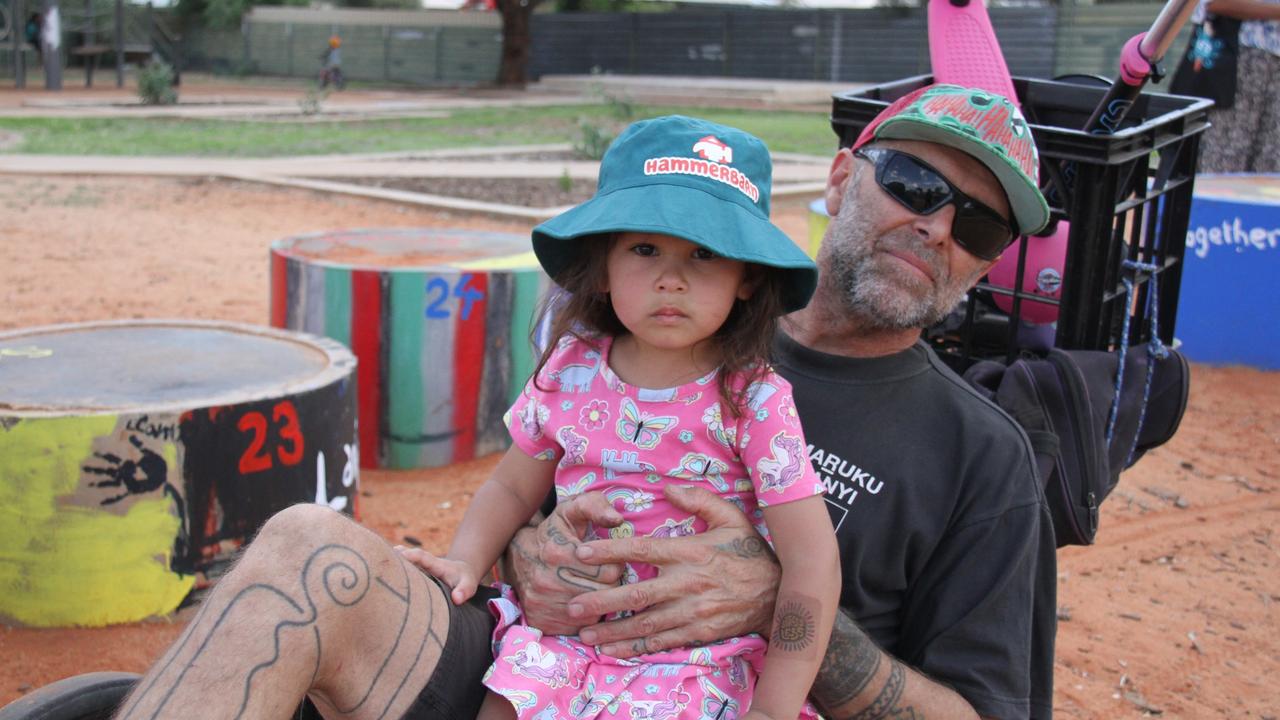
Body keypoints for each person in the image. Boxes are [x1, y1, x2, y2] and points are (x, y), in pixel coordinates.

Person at [113, 84, 1055, 720]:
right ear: (847, 175)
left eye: (978, 221)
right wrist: (500, 558)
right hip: (541, 656)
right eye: (917, 183)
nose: (935, 225)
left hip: (709, 692)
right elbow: (528, 478)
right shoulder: (600, 348)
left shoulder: (981, 454)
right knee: (305, 549)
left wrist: (784, 616)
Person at [396, 115, 840, 720]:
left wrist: (774, 706)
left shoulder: (755, 401)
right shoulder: (570, 369)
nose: (672, 279)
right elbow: (508, 485)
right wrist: (466, 562)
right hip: (564, 642)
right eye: (645, 248)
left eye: (705, 254)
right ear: (602, 266)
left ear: (747, 279)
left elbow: (814, 560)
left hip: (700, 661)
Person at [1171, 0, 1280, 172]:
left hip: (1270, 64)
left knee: (1270, 162)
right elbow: (1213, 3)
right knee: (1225, 156)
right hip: (1239, 58)